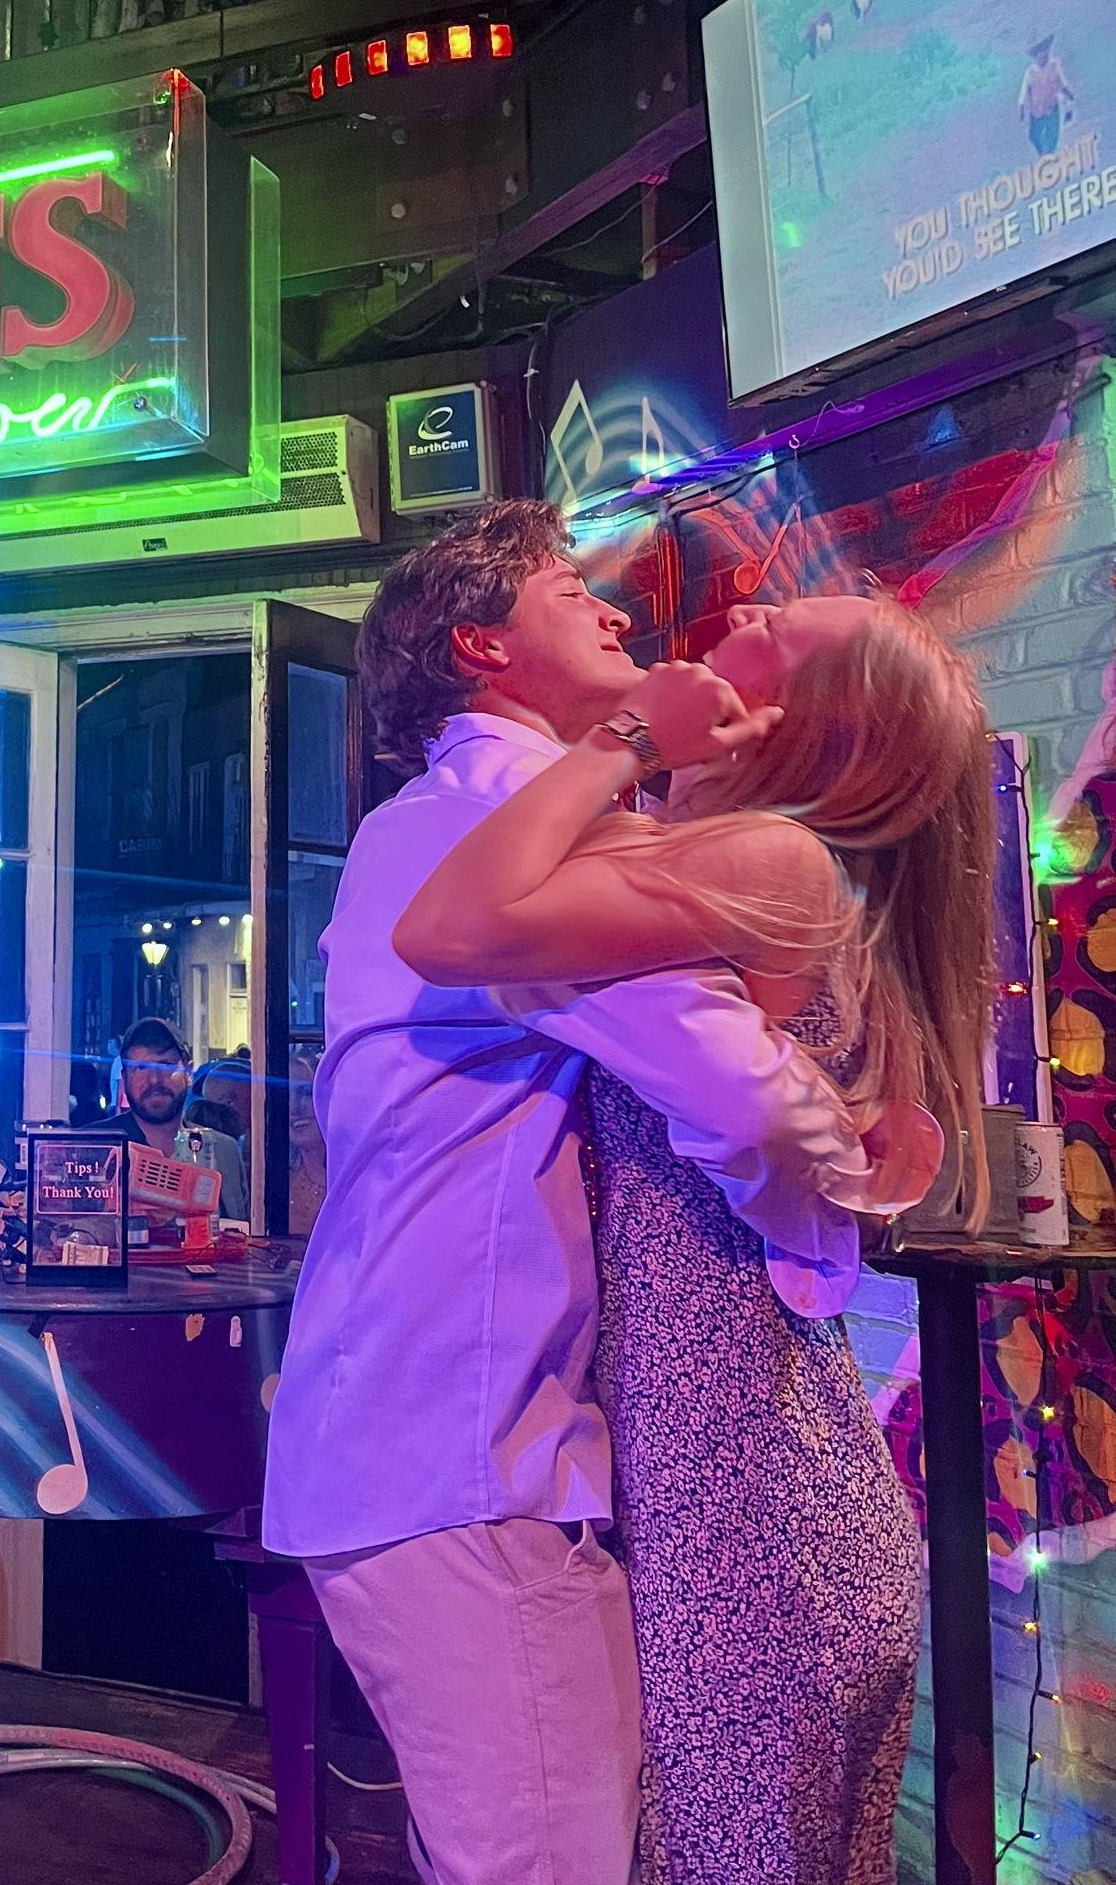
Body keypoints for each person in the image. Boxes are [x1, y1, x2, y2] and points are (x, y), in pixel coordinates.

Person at [262, 502, 886, 1885]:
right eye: (566, 591)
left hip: (438, 1443)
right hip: (457, 1454)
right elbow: (740, 1094)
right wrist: (852, 1187)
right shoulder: (497, 818)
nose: (615, 611)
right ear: (479, 646)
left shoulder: (463, 820)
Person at [394, 591, 992, 1884]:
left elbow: (442, 929)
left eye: (780, 631)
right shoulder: (741, 857)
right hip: (746, 1480)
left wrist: (620, 739)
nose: (748, 603)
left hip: (745, 1510)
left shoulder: (770, 858)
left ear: (806, 725)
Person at [103, 1014, 246, 1221]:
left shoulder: (224, 1150)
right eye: (140, 1068)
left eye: (166, 1065)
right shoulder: (96, 1147)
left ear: (188, 1072)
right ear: (124, 1078)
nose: (154, 1079)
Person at [1021, 35, 1076, 157]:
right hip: (1036, 111)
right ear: (1036, 57)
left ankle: (1051, 157)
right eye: (1040, 55)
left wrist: (1069, 96)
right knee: (1034, 137)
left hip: (1052, 108)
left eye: (1045, 53)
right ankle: (1043, 155)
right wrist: (1022, 109)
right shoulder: (1031, 72)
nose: (1044, 57)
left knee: (1052, 136)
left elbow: (1061, 83)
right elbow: (1024, 92)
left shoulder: (1054, 65)